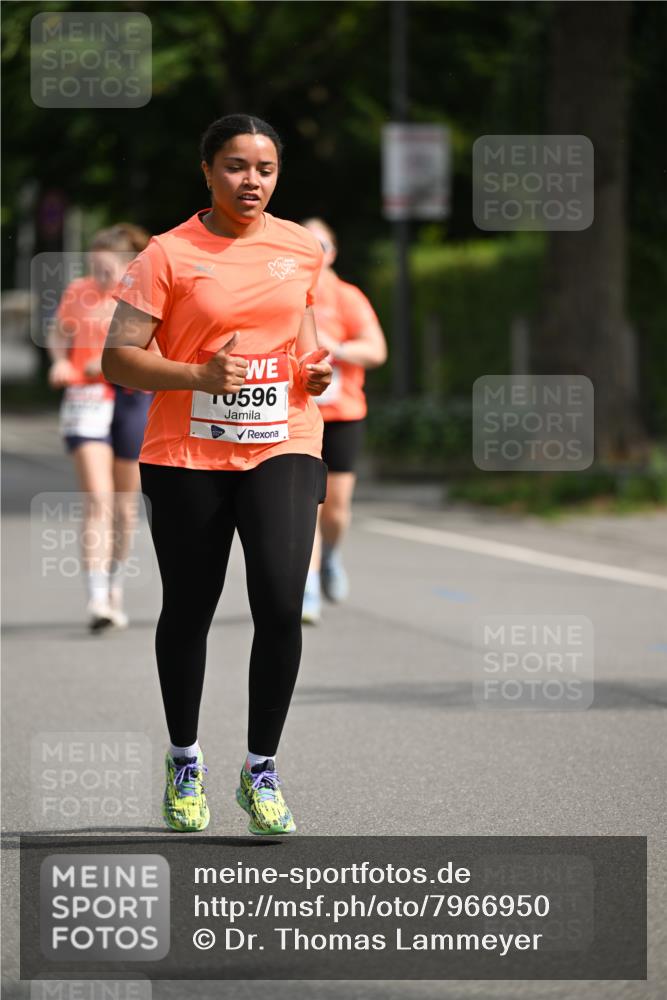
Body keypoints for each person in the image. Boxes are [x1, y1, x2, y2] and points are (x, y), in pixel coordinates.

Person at [102, 114, 332, 836]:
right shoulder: (167, 254)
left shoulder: (299, 247)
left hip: (283, 438)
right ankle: (185, 759)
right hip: (185, 454)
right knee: (190, 609)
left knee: (278, 598)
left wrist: (314, 367)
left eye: (263, 168)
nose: (251, 181)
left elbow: (300, 327)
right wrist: (197, 375)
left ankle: (261, 769)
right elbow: (117, 358)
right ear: (207, 171)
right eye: (235, 166)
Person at [48, 223, 153, 632]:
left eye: (107, 269)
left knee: (124, 508)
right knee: (98, 498)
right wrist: (60, 360)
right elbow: (60, 333)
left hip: (131, 399)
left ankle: (114, 586)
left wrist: (113, 362)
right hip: (86, 401)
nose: (100, 277)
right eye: (95, 268)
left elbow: (155, 347)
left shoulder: (139, 296)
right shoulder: (79, 292)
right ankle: (95, 598)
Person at [300, 218, 387, 624]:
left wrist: (339, 348)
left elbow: (377, 350)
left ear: (332, 252)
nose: (314, 250)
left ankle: (331, 556)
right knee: (307, 507)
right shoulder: (287, 290)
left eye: (321, 242)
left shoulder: (347, 296)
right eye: (306, 241)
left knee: (335, 510)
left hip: (343, 414)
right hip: (300, 416)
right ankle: (308, 590)